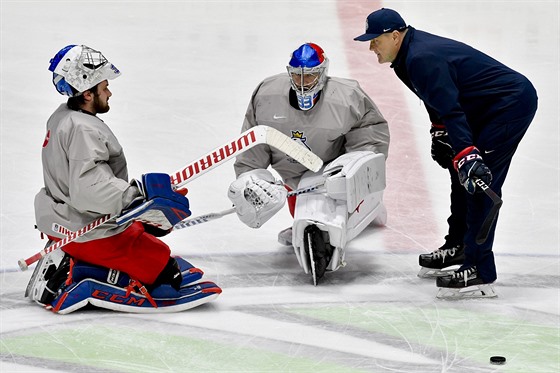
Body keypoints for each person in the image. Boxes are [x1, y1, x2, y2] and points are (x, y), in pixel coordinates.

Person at [354, 9, 538, 298]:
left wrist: (466, 152)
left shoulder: (420, 57)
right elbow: (436, 98)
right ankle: (460, 246)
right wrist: (440, 131)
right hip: (478, 108)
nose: (371, 47)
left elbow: (451, 108)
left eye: (375, 40)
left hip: (508, 106)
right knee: (460, 172)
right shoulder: (404, 59)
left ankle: (479, 268)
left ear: (394, 35)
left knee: (478, 180)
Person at [27, 44, 221, 313]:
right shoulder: (84, 129)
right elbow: (88, 188)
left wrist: (141, 208)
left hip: (64, 220)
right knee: (168, 275)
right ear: (86, 93)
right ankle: (80, 273)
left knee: (150, 231)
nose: (109, 92)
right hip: (85, 230)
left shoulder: (64, 116)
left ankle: (77, 259)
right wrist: (134, 196)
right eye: (104, 86)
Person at [227, 43, 390, 285]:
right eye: (297, 75)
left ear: (323, 73)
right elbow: (254, 142)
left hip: (331, 172)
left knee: (334, 207)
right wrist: (252, 180)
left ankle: (366, 210)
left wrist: (354, 168)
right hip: (293, 179)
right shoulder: (267, 94)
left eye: (311, 75)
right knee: (269, 199)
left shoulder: (347, 96)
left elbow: (370, 131)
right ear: (289, 72)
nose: (303, 82)